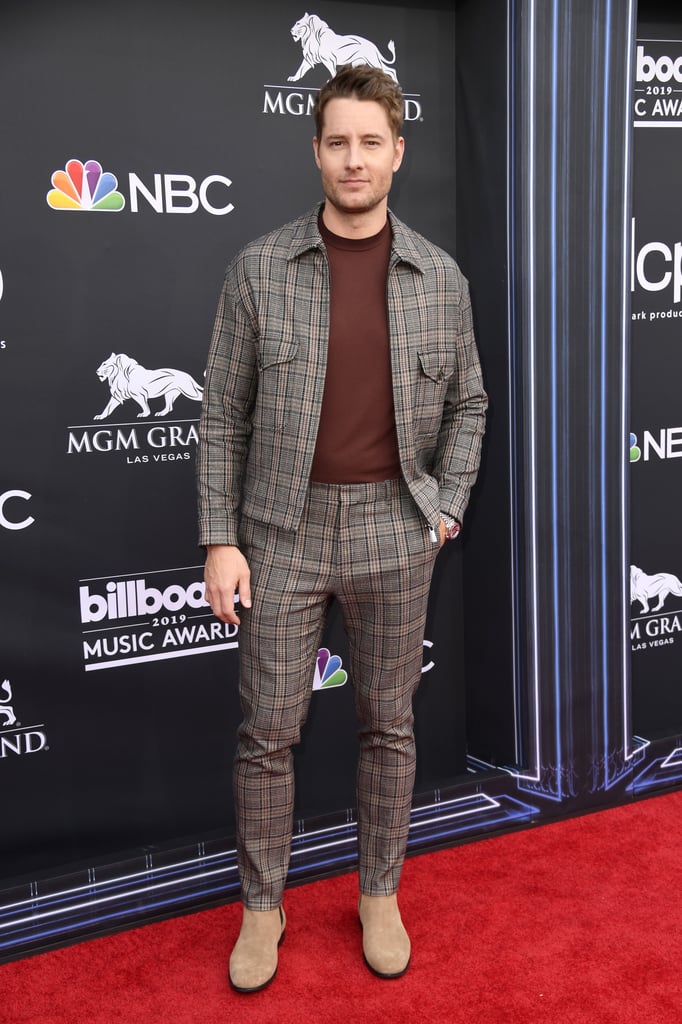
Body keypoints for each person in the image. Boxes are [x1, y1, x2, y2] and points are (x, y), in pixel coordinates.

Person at [197, 64, 487, 993]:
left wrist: (444, 506)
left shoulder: (440, 278)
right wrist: (221, 537)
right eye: (337, 142)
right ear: (315, 150)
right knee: (268, 729)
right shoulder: (259, 267)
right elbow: (221, 418)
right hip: (279, 530)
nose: (353, 160)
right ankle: (261, 909)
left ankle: (378, 894)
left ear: (397, 153)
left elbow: (471, 405)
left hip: (395, 532)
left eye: (371, 142)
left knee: (388, 725)